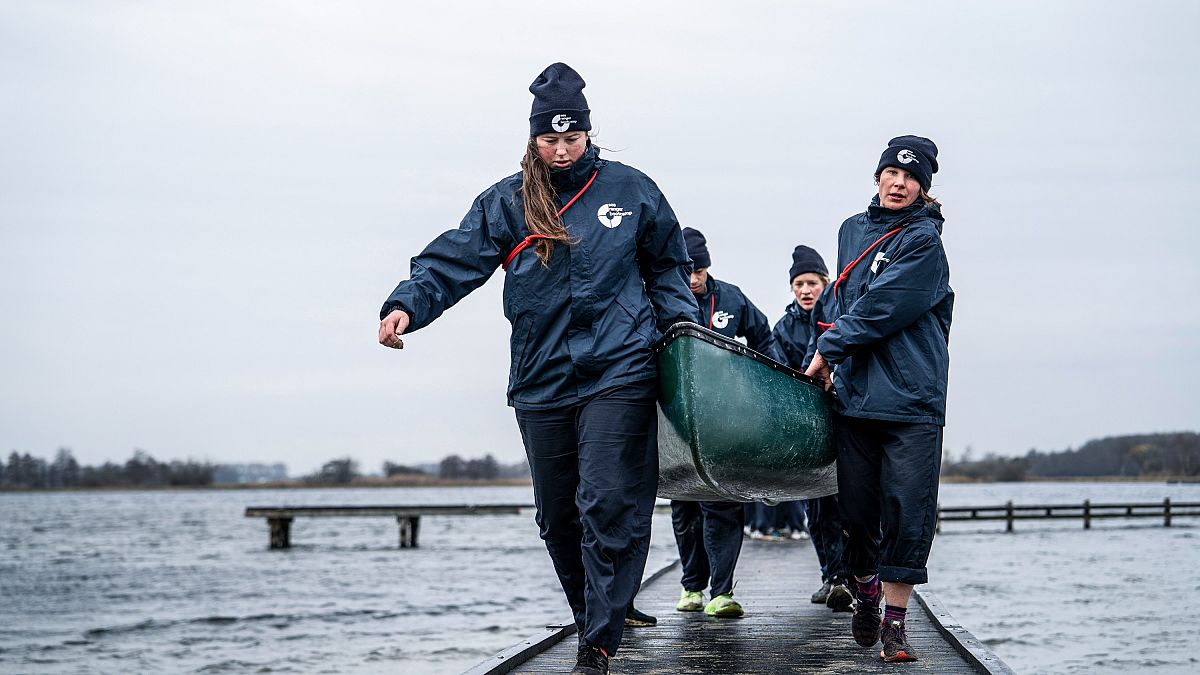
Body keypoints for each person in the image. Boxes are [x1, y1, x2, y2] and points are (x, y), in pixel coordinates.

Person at [377, 63, 697, 675]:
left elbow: (666, 267)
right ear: (532, 140)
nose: (560, 150)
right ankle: (591, 619)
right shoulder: (508, 200)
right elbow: (453, 260)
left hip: (619, 368)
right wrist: (404, 306)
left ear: (586, 132)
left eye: (570, 138)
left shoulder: (631, 190)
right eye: (548, 141)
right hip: (540, 375)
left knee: (609, 502)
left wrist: (683, 336)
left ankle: (599, 643)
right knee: (559, 517)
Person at [805, 136, 953, 663]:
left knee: (907, 513)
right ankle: (865, 591)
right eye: (891, 172)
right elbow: (840, 303)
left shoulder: (924, 244)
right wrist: (819, 353)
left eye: (911, 178)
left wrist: (828, 348)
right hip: (856, 398)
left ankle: (895, 623)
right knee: (858, 513)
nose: (899, 182)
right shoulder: (851, 231)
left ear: (923, 189)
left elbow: (885, 307)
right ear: (877, 176)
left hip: (912, 401)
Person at [670, 227, 781, 619]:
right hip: (677, 428)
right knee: (685, 511)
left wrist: (767, 385)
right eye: (687, 271)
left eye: (699, 271)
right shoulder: (663, 295)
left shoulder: (731, 298)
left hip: (724, 421)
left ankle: (721, 592)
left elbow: (764, 338)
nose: (693, 279)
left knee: (723, 504)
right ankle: (692, 587)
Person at [770, 245, 853, 613]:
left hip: (844, 420)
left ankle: (855, 575)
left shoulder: (841, 314)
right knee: (816, 508)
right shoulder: (783, 328)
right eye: (799, 284)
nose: (806, 290)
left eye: (812, 283)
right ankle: (832, 577)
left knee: (849, 505)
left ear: (825, 283)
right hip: (805, 428)